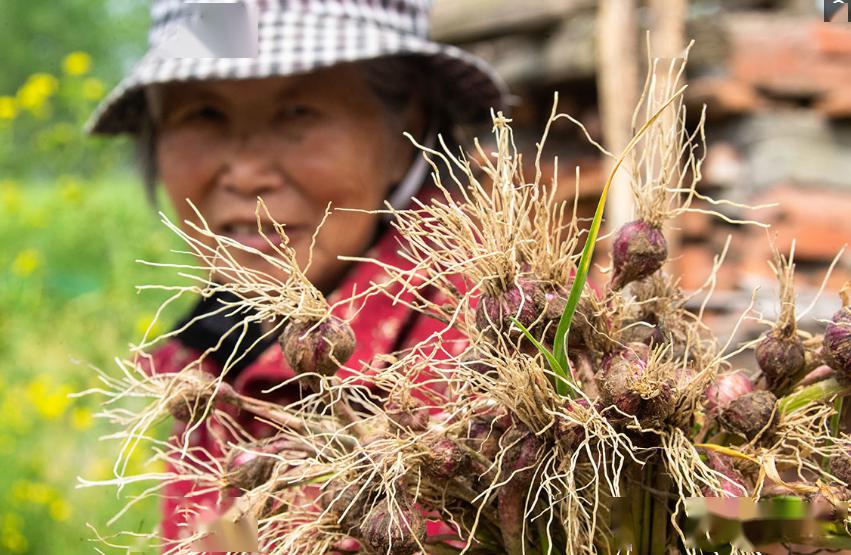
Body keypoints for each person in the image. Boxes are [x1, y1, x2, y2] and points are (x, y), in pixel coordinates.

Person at [86, 0, 508, 550]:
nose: (245, 172)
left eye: (299, 112)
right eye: (203, 115)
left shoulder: (494, 347)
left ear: (409, 123)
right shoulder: (213, 349)